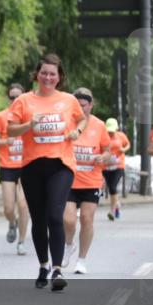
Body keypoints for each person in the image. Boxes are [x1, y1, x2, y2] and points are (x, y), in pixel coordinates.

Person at [7, 54, 87, 291]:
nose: (48, 77)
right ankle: (43, 264)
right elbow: (11, 130)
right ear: (37, 74)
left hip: (61, 165)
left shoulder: (68, 100)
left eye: (53, 73)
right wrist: (29, 125)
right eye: (44, 73)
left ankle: (57, 269)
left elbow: (82, 120)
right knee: (39, 219)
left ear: (59, 77)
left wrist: (77, 132)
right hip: (32, 165)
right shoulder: (23, 101)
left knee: (55, 216)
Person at [61, 89, 111, 275]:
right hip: (69, 180)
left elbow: (107, 150)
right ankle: (68, 244)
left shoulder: (99, 125)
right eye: (78, 105)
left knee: (86, 219)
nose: (81, 109)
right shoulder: (67, 122)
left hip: (91, 181)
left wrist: (102, 157)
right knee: (68, 219)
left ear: (91, 105)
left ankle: (81, 260)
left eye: (84, 105)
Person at [0, 83, 30, 255]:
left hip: (26, 165)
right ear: (8, 98)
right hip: (7, 165)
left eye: (18, 97)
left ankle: (21, 241)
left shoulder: (29, 116)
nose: (15, 100)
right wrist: (5, 142)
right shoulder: (2, 117)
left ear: (23, 97)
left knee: (22, 205)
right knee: (8, 208)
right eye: (12, 97)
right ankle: (12, 223)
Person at [103, 118, 131, 221]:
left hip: (118, 165)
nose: (110, 133)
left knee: (113, 187)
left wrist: (123, 149)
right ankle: (117, 205)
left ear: (116, 128)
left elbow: (128, 144)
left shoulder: (121, 136)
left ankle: (112, 211)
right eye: (108, 131)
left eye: (112, 131)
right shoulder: (103, 137)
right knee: (111, 189)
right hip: (106, 166)